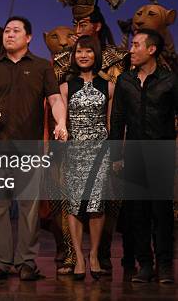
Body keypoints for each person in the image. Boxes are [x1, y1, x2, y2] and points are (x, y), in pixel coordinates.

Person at [0, 16, 68, 281]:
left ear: (28, 37)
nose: (9, 35)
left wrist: (61, 122)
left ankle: (27, 262)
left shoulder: (41, 67)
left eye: (16, 31)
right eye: (6, 31)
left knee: (29, 208)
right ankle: (1, 262)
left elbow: (54, 99)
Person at [110, 29, 177, 283]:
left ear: (151, 50)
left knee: (162, 212)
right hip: (134, 154)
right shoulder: (125, 80)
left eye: (137, 45)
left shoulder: (170, 80)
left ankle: (166, 265)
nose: (131, 49)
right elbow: (117, 120)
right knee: (138, 213)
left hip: (162, 152)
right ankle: (145, 264)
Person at [59, 35, 114, 280]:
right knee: (74, 204)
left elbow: (111, 123)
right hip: (74, 150)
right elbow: (63, 123)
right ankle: (79, 257)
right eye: (79, 51)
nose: (83, 55)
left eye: (88, 51)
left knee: (96, 205)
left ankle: (93, 255)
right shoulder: (65, 86)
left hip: (100, 150)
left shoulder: (108, 86)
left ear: (96, 55)